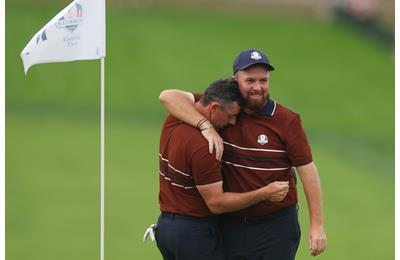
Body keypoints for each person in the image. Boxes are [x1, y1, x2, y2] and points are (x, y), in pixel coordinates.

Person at [159, 49, 327, 259]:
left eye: (263, 80)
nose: (258, 87)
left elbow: (307, 169)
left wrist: (317, 225)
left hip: (275, 227)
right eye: (250, 80)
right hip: (231, 226)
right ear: (235, 80)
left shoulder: (287, 121)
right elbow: (168, 96)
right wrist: (206, 127)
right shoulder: (223, 107)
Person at [156, 78, 292, 260]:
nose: (234, 122)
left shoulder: (175, 117)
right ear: (213, 108)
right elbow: (216, 203)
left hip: (167, 229)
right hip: (194, 236)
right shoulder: (206, 147)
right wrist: (264, 193)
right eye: (230, 116)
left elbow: (169, 97)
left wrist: (205, 125)